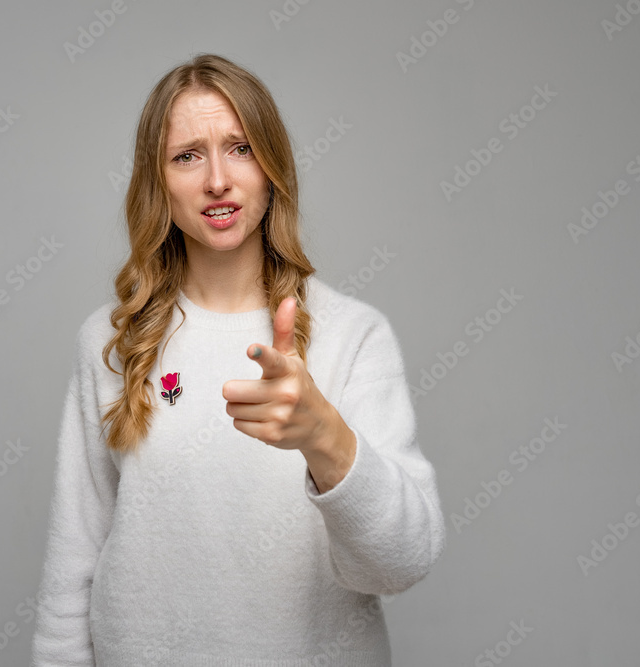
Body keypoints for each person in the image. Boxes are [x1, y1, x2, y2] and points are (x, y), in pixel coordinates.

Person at [31, 53, 445, 666]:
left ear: (273, 168)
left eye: (241, 148)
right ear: (158, 182)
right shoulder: (108, 343)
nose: (217, 179)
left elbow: (402, 562)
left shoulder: (352, 336)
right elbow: (73, 565)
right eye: (187, 155)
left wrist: (324, 437)